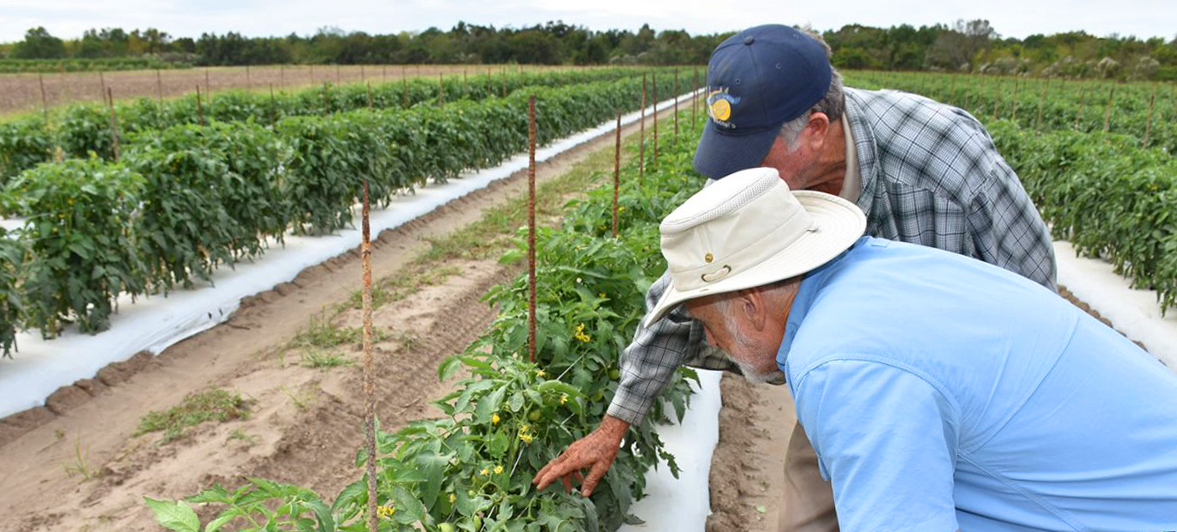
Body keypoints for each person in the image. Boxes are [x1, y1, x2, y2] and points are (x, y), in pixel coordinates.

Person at [534, 24, 1058, 531]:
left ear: (814, 131)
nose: (733, 177)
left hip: (964, 379)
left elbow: (1034, 289)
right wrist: (614, 424)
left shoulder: (943, 163)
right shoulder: (757, 192)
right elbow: (690, 288)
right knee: (807, 516)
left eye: (750, 155)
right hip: (848, 371)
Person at [668, 168, 1177, 530]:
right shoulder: (884, 270)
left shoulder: (843, 362)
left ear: (752, 305)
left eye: (708, 323)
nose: (711, 342)